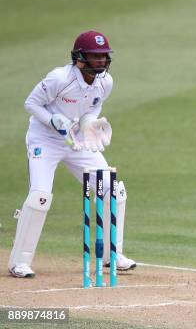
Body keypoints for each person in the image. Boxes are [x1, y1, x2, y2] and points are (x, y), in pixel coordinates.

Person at [8, 30, 136, 278]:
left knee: (111, 188)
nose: (101, 61)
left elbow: (94, 105)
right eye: (95, 56)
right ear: (79, 57)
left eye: (104, 56)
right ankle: (19, 262)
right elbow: (31, 104)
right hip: (44, 140)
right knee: (40, 197)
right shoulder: (59, 78)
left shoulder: (105, 82)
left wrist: (89, 123)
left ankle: (112, 255)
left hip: (75, 140)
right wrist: (52, 119)